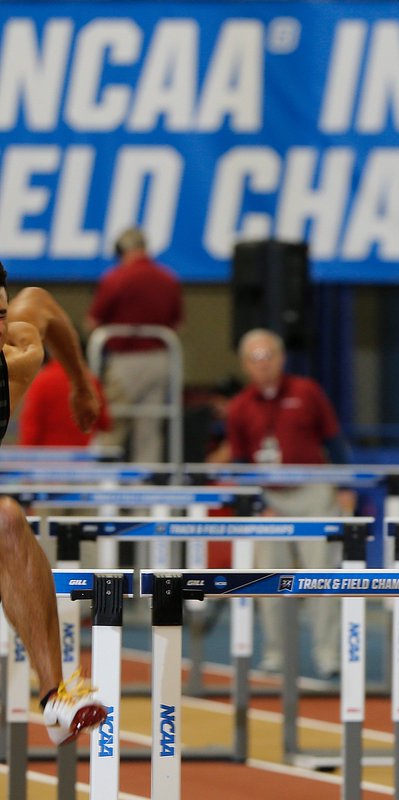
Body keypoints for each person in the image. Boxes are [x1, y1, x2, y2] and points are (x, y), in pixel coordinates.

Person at [0, 261, 110, 744]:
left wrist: (80, 385)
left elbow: (44, 304)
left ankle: (57, 698)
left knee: (6, 519)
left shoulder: (18, 350)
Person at [216, 329, 354, 678]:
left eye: (269, 356)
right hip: (270, 497)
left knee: (323, 575)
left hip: (313, 492)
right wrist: (260, 503)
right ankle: (277, 653)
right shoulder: (240, 408)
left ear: (281, 358)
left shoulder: (307, 392)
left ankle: (328, 654)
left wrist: (346, 486)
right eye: (255, 359)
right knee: (268, 577)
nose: (263, 365)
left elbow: (335, 442)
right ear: (245, 365)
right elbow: (241, 462)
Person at [85, 227, 183, 462]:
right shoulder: (168, 278)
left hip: (125, 362)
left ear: (122, 251)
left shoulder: (116, 278)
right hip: (160, 360)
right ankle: (146, 483)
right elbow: (178, 323)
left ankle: (103, 481)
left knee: (111, 423)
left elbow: (92, 322)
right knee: (149, 427)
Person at [18, 351, 112, 446]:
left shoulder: (40, 382)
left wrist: (24, 457)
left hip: (46, 456)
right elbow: (104, 423)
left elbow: (31, 429)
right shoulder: (91, 381)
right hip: (83, 455)